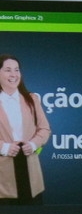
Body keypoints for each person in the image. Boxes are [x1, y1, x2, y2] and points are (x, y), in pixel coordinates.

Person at [0, 55, 51, 205]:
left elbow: (44, 128)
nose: (13, 74)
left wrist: (33, 144)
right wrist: (4, 147)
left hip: (30, 172)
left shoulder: (31, 99)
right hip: (3, 177)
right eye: (8, 70)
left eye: (16, 70)